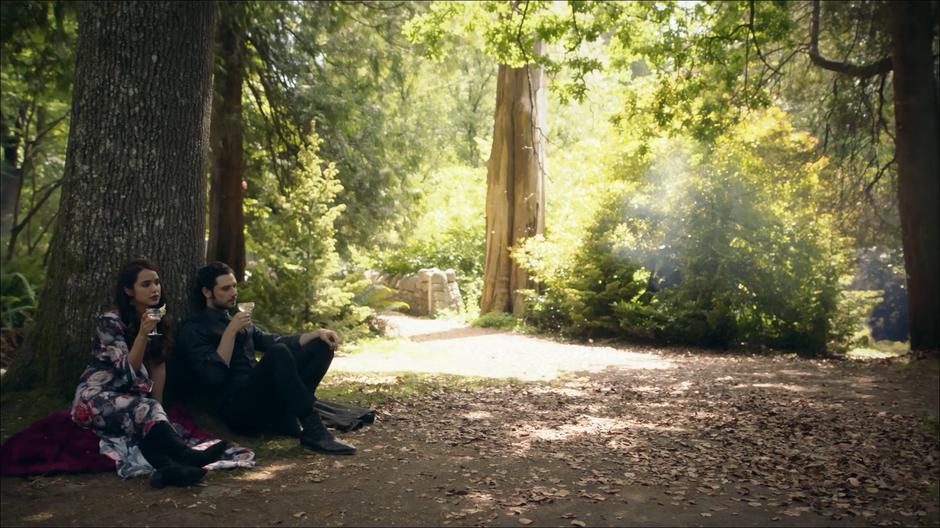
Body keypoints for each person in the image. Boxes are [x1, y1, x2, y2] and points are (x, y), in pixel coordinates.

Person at [70, 259, 229, 488]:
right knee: (144, 409)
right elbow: (127, 371)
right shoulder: (110, 322)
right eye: (145, 284)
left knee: (148, 416)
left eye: (156, 282)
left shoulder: (158, 317)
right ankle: (189, 456)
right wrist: (143, 334)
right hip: (95, 397)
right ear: (129, 290)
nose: (155, 288)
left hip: (130, 400)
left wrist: (159, 414)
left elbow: (158, 365)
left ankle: (170, 471)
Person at [177, 261, 355, 455]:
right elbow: (214, 377)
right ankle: (313, 429)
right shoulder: (195, 328)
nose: (233, 292)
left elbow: (274, 341)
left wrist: (317, 333)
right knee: (278, 353)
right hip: (238, 407)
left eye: (234, 286)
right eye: (225, 288)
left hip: (263, 397)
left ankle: (291, 415)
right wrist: (230, 331)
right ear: (207, 292)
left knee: (321, 345)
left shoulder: (239, 320)